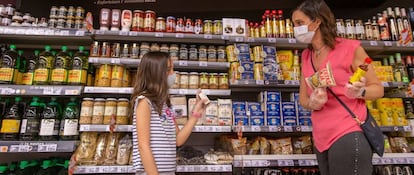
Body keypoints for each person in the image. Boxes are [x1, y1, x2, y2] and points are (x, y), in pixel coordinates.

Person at [292, 0, 384, 174]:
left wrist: (360, 91)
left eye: (299, 23)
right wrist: (313, 103)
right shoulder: (306, 55)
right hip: (320, 137)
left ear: (317, 21)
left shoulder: (350, 48)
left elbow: (378, 89)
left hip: (347, 132)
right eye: (294, 24)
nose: (296, 28)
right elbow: (303, 99)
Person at [130, 52, 208, 175]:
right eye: (168, 69)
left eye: (172, 69)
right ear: (155, 73)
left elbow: (177, 140)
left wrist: (195, 114)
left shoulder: (165, 105)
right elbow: (143, 146)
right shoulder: (144, 102)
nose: (173, 74)